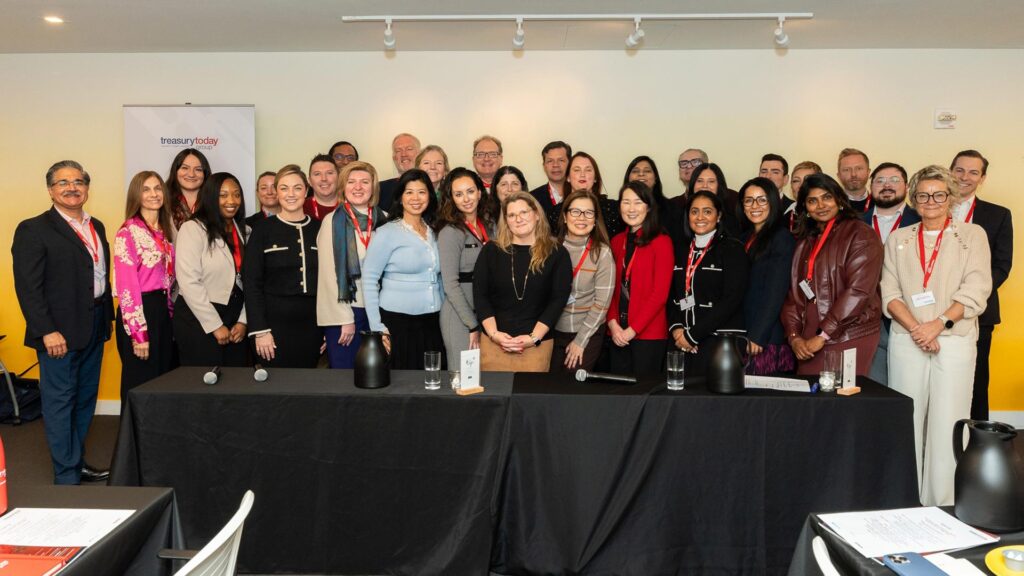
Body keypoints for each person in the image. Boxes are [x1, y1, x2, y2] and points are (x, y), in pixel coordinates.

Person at [881, 165, 992, 506]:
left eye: (939, 194)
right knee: (907, 421)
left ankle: (942, 502)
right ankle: (905, 497)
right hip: (908, 339)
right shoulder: (898, 238)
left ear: (951, 197)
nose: (931, 201)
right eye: (924, 195)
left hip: (953, 340)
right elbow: (889, 292)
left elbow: (976, 289)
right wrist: (917, 328)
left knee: (948, 421)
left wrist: (938, 324)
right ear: (913, 199)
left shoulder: (972, 235)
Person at [12, 160, 114, 484]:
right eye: (63, 182)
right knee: (59, 402)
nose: (72, 187)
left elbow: (97, 276)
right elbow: (28, 287)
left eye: (78, 181)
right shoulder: (33, 229)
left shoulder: (96, 225)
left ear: (87, 187)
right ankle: (66, 475)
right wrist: (47, 331)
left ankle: (76, 460)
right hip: (58, 331)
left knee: (84, 399)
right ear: (50, 190)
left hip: (95, 323)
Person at [781, 173, 884, 376]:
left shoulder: (861, 234)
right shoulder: (805, 241)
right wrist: (794, 336)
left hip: (848, 334)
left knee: (840, 400)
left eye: (827, 197)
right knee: (811, 401)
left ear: (839, 199)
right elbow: (793, 294)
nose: (821, 205)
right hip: (809, 336)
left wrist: (823, 335)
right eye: (812, 200)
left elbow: (858, 291)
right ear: (805, 208)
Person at [474, 192, 572, 371]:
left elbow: (558, 300)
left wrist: (534, 338)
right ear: (506, 220)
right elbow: (481, 296)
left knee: (531, 399)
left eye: (524, 212)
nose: (518, 219)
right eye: (511, 215)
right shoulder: (491, 251)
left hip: (536, 346)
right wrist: (495, 335)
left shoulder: (557, 253)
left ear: (536, 215)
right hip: (495, 345)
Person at [950, 149, 1013, 421]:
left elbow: (1001, 266)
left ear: (982, 178)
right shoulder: (927, 207)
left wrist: (968, 299)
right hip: (928, 312)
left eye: (973, 172)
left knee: (976, 378)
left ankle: (977, 442)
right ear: (949, 171)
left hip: (979, 312)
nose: (965, 177)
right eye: (960, 170)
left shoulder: (998, 215)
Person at [361, 169, 444, 369]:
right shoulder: (386, 232)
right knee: (403, 385)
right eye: (409, 192)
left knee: (433, 381)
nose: (416, 198)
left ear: (430, 196)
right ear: (400, 197)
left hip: (433, 321)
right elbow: (369, 279)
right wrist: (377, 328)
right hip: (397, 323)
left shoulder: (435, 229)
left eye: (422, 192)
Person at [244, 165, 322, 368]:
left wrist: (327, 330)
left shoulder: (319, 228)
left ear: (306, 191)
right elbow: (252, 283)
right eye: (284, 188)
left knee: (307, 385)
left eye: (297, 188)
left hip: (312, 324)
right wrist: (260, 330)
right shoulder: (262, 230)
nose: (291, 194)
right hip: (273, 325)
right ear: (277, 192)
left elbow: (330, 282)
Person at [668, 190, 749, 377]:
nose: (700, 217)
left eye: (707, 211)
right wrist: (677, 329)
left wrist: (693, 335)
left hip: (720, 341)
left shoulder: (732, 248)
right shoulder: (681, 250)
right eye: (694, 211)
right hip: (683, 341)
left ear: (719, 215)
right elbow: (673, 296)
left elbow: (732, 299)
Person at [316, 161, 388, 369]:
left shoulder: (386, 220)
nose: (358, 187)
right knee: (345, 378)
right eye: (351, 182)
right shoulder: (333, 221)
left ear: (373, 187)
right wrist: (344, 319)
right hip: (349, 312)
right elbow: (330, 276)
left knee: (378, 374)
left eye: (365, 182)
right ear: (343, 187)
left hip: (380, 310)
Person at [173, 172, 249, 367]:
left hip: (236, 318)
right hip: (199, 318)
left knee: (235, 384)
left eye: (236, 194)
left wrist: (243, 321)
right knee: (202, 385)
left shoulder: (246, 232)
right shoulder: (193, 229)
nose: (231, 200)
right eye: (223, 195)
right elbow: (189, 282)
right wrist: (215, 325)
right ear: (210, 197)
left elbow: (254, 281)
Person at [113, 171, 177, 397]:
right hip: (140, 312)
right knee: (140, 382)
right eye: (146, 189)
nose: (154, 194)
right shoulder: (128, 232)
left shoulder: (165, 231)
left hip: (162, 311)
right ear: (136, 195)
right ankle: (134, 434)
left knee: (162, 380)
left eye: (158, 188)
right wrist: (138, 334)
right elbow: (127, 288)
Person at [607, 181, 674, 377]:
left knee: (644, 394)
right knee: (619, 396)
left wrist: (632, 330)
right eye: (626, 202)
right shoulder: (616, 241)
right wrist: (612, 323)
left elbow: (660, 294)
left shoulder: (661, 241)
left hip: (648, 335)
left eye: (637, 202)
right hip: (616, 332)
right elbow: (609, 288)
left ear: (649, 207)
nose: (631, 208)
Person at [862, 162, 921, 385]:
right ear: (871, 186)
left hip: (911, 315)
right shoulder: (854, 223)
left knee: (908, 384)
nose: (887, 185)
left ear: (906, 186)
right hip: (867, 314)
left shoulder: (922, 220)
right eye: (880, 181)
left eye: (894, 180)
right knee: (874, 383)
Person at [436, 168, 497, 370]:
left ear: (480, 192)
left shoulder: (489, 225)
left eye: (470, 191)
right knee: (464, 377)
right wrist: (472, 324)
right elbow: (450, 284)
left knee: (484, 378)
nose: (466, 199)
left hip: (485, 312)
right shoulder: (450, 231)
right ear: (451, 198)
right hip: (461, 316)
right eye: (458, 194)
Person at [551, 190, 615, 373]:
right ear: (565, 216)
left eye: (588, 213)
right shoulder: (550, 248)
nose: (582, 218)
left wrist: (580, 341)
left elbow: (602, 304)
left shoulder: (602, 253)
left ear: (595, 219)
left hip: (586, 331)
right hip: (552, 332)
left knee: (573, 388)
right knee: (546, 388)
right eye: (575, 212)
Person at [737, 178, 796, 375]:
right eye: (749, 200)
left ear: (773, 202)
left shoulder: (781, 238)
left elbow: (776, 291)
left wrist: (758, 335)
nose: (755, 206)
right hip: (744, 331)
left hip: (766, 336)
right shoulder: (744, 238)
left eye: (762, 200)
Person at [548, 152, 623, 237]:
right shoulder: (555, 213)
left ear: (595, 178)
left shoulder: (613, 208)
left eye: (588, 170)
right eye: (577, 170)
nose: (582, 174)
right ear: (568, 177)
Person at [623, 155, 680, 242]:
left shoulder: (672, 208)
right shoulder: (621, 208)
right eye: (635, 171)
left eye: (647, 171)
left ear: (655, 178)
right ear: (628, 178)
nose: (641, 174)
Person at [687, 163, 742, 237]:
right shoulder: (681, 215)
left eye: (711, 181)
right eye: (700, 181)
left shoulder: (732, 218)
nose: (705, 186)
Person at [167, 148, 211, 229]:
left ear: (205, 173)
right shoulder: (163, 201)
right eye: (185, 168)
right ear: (175, 171)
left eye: (198, 169)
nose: (191, 174)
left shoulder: (214, 202)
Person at [379, 133, 421, 210]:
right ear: (394, 158)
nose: (404, 154)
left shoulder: (433, 186)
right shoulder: (380, 189)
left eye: (409, 149)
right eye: (398, 151)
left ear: (420, 154)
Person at [530, 141, 572, 209]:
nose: (555, 165)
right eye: (550, 161)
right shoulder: (532, 198)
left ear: (570, 164)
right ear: (544, 166)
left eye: (561, 160)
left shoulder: (579, 194)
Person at [787, 161, 823, 231]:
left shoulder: (828, 214)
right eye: (796, 181)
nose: (801, 186)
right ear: (791, 186)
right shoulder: (784, 217)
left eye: (807, 180)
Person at [304, 153, 339, 220]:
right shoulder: (300, 208)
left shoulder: (351, 207)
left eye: (329, 173)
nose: (324, 178)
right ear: (310, 181)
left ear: (339, 177)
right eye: (317, 174)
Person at [837, 148, 872, 212]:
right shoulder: (831, 205)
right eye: (847, 170)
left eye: (859, 168)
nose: (853, 174)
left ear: (868, 172)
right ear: (839, 175)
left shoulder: (880, 203)